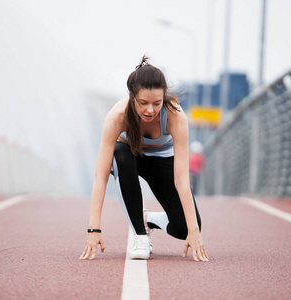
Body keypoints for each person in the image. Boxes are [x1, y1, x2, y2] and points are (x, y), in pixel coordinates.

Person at [79, 56, 208, 261]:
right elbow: (100, 177)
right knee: (121, 152)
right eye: (143, 103)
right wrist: (93, 229)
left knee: (185, 229)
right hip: (129, 159)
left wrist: (194, 230)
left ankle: (149, 219)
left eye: (157, 103)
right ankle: (140, 235)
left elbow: (182, 179)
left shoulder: (175, 116)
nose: (150, 110)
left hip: (161, 162)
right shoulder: (117, 116)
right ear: (132, 97)